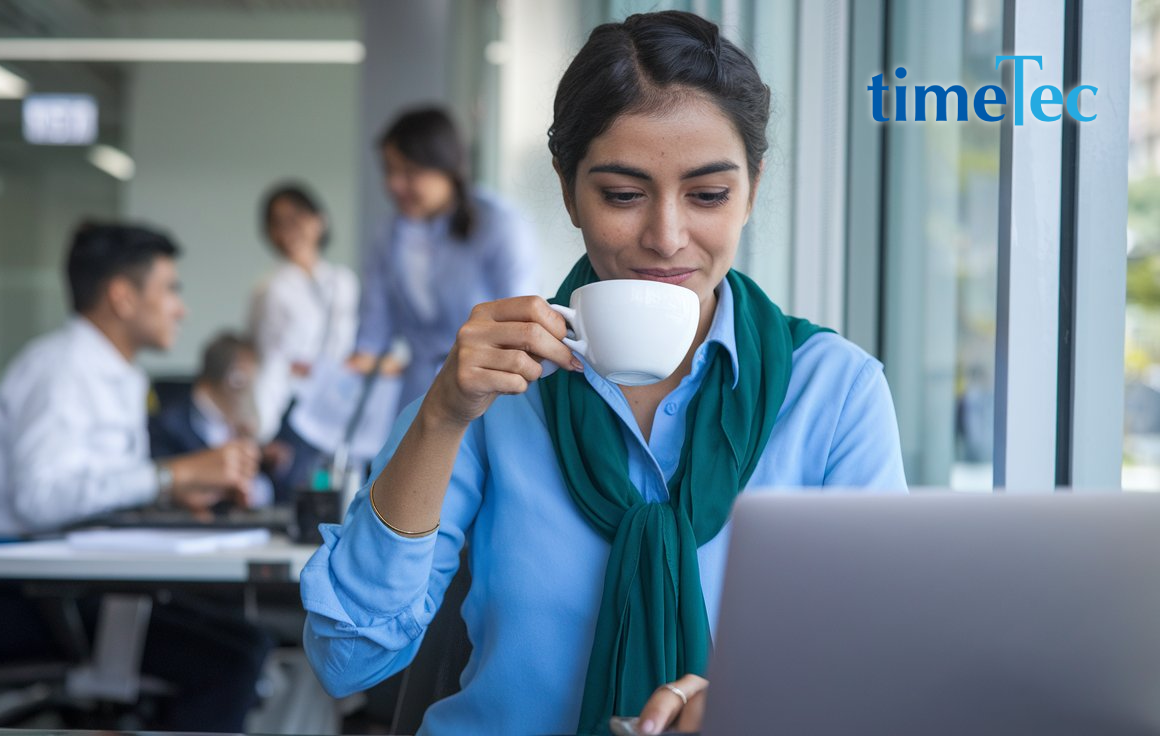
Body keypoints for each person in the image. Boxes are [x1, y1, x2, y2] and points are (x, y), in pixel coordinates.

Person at [300, 11, 907, 736]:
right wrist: (441, 416)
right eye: (623, 195)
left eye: (708, 195)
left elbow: (880, 671)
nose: (666, 236)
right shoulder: (491, 392)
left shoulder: (833, 393)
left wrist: (761, 706)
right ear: (568, 191)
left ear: (751, 189)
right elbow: (346, 656)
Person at [0, 222, 269, 732]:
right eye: (170, 289)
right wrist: (167, 475)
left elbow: (96, 486)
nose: (181, 307)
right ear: (123, 297)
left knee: (248, 641)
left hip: (82, 589)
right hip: (31, 602)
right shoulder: (61, 370)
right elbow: (39, 499)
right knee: (231, 663)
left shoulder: (117, 374)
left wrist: (174, 495)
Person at [350, 106, 538, 410]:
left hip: (490, 392)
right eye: (389, 170)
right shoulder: (389, 234)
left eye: (409, 172)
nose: (394, 185)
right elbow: (374, 330)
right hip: (416, 394)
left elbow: (521, 319)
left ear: (447, 168)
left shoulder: (498, 223)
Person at [249, 183, 360, 443]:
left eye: (296, 218)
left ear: (319, 220)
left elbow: (352, 346)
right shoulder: (270, 289)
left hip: (338, 403)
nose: (288, 231)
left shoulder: (342, 281)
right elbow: (267, 360)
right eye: (277, 223)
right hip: (289, 405)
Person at [150, 331, 286, 508]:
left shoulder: (235, 426)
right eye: (248, 380)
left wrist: (262, 459)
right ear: (234, 380)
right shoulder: (169, 425)